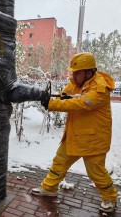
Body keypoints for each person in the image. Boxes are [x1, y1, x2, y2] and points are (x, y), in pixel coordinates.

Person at [32, 52, 117, 213]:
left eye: (77, 72)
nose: (74, 75)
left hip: (94, 139)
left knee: (96, 172)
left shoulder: (99, 87)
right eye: (73, 72)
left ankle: (110, 198)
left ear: (89, 72)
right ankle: (49, 188)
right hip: (75, 134)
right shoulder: (77, 83)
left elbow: (80, 103)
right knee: (59, 162)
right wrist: (59, 97)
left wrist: (52, 104)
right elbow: (68, 95)